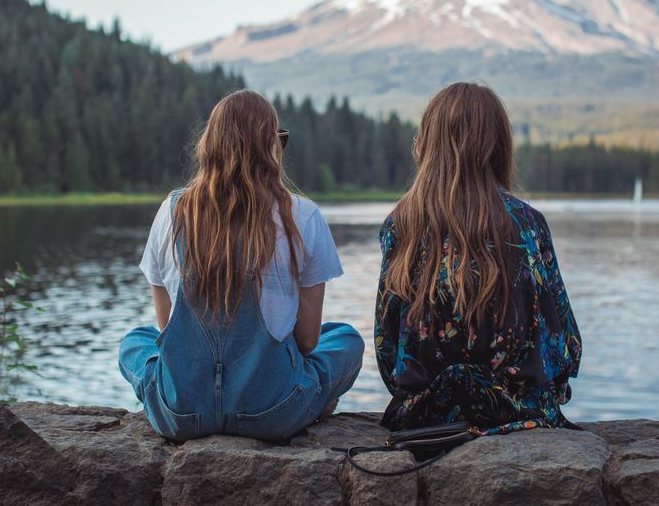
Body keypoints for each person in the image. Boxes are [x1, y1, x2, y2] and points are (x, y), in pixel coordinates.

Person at [119, 89, 364, 442]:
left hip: (183, 414)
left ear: (210, 146)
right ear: (271, 148)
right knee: (344, 339)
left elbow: (166, 330)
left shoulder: (172, 211)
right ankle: (314, 398)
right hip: (272, 413)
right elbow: (309, 341)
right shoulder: (304, 215)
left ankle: (162, 399)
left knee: (136, 341)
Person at [374, 82, 582, 434]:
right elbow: (566, 348)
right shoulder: (528, 224)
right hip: (517, 413)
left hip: (425, 415)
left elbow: (387, 346)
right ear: (499, 146)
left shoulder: (401, 224)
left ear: (427, 144)